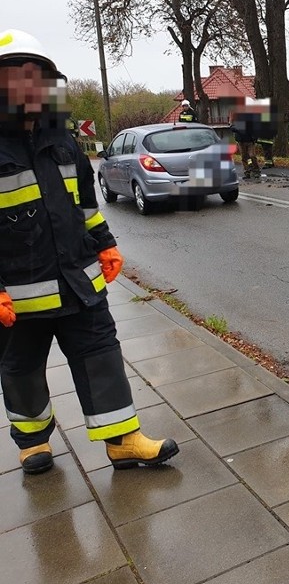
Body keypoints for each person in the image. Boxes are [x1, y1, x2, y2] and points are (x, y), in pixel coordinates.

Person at [0, 29, 178, 475]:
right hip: (17, 297)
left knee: (101, 354)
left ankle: (122, 440)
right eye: (16, 76)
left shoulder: (61, 139)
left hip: (79, 281)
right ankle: (33, 442)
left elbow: (84, 204)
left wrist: (106, 243)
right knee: (21, 369)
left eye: (36, 77)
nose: (29, 87)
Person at [230, 101, 261, 179]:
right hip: (241, 141)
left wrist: (255, 138)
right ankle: (247, 172)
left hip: (250, 141)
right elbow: (232, 127)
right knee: (244, 157)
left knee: (252, 156)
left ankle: (256, 170)